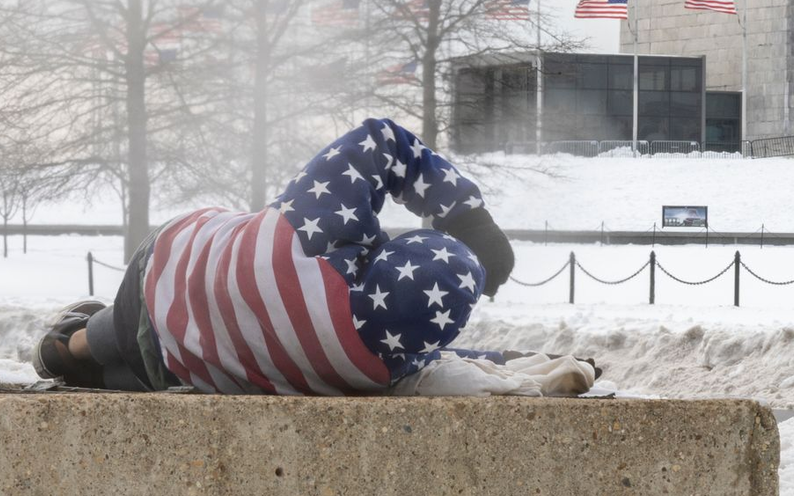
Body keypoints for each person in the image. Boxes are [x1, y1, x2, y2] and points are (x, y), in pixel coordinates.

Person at [34, 118, 528, 395]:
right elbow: (435, 362)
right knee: (139, 366)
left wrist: (467, 218)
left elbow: (381, 142)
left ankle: (70, 345)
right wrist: (502, 359)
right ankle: (91, 367)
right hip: (184, 364)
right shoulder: (376, 369)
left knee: (118, 328)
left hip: (167, 269)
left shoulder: (318, 233)